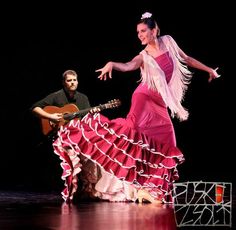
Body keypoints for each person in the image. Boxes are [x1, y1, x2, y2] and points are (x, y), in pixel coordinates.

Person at [53, 12, 220, 204]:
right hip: (143, 99)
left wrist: (209, 70)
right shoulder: (144, 56)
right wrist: (112, 64)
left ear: (154, 30)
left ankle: (145, 189)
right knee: (130, 136)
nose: (140, 35)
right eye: (138, 32)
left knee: (166, 144)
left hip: (159, 103)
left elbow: (187, 58)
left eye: (143, 31)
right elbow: (128, 66)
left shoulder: (169, 42)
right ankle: (82, 135)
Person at [31, 69, 100, 202]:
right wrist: (50, 116)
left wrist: (93, 112)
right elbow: (35, 108)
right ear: (64, 82)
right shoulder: (57, 96)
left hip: (77, 135)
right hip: (60, 135)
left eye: (75, 80)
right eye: (69, 80)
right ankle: (70, 187)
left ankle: (87, 187)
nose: (72, 83)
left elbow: (86, 119)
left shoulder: (83, 98)